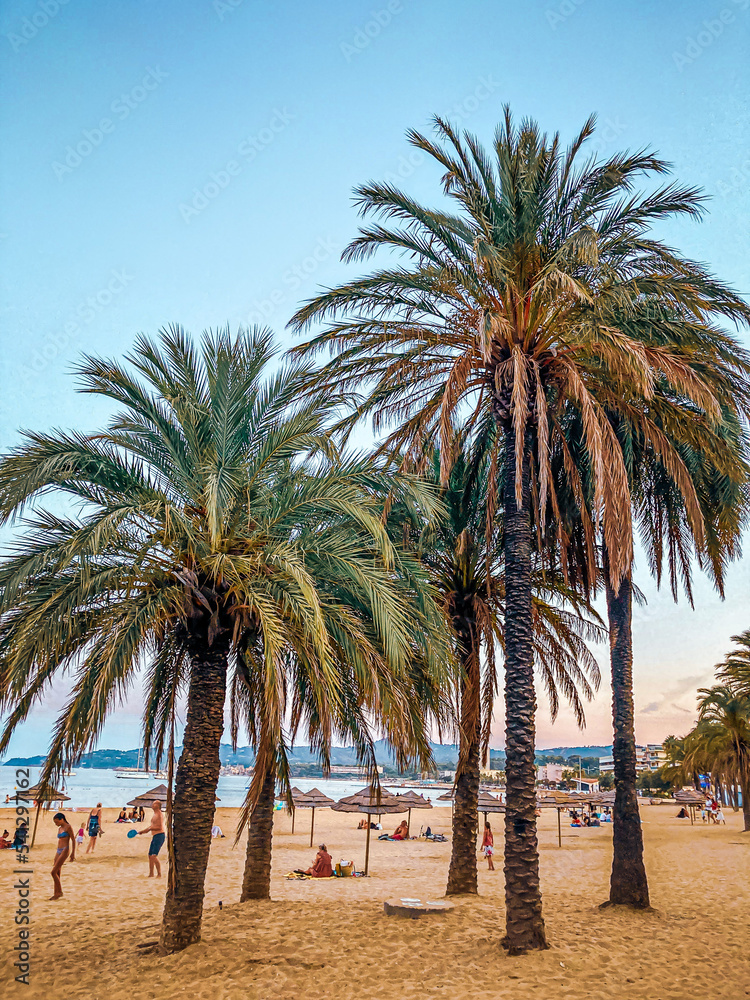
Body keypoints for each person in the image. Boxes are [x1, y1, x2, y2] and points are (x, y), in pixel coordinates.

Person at [137, 800, 166, 877]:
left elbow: (159, 827)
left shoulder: (159, 814)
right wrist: (143, 831)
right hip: (155, 836)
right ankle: (151, 873)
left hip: (160, 836)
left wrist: (149, 829)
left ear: (157, 805)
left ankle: (159, 874)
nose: (152, 804)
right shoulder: (155, 814)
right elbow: (152, 826)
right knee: (150, 855)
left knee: (153, 856)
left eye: (154, 803)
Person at [51, 812, 76, 899]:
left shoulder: (68, 827)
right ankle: (56, 893)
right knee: (57, 872)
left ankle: (60, 892)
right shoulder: (60, 828)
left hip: (65, 849)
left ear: (62, 819)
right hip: (58, 850)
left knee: (53, 872)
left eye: (57, 822)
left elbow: (73, 840)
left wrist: (73, 853)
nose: (56, 824)